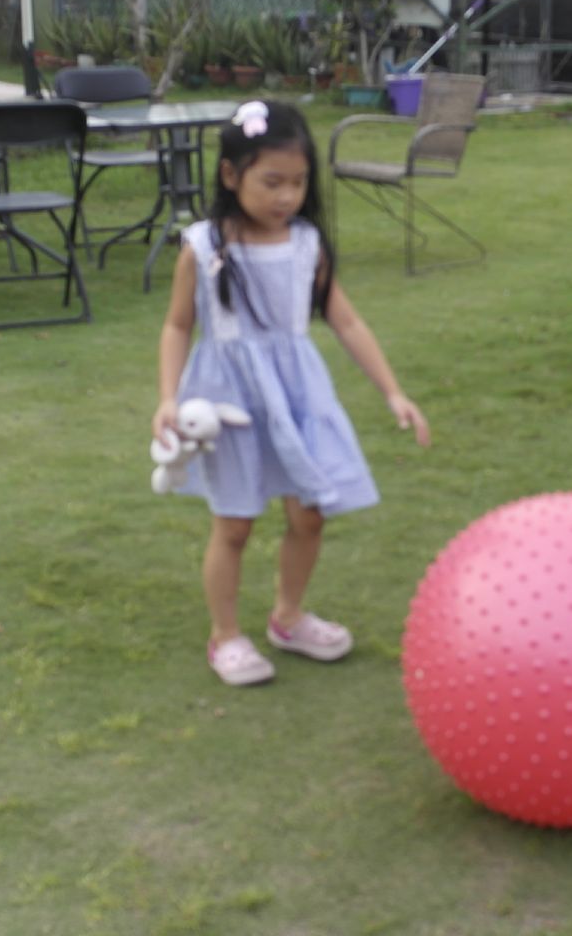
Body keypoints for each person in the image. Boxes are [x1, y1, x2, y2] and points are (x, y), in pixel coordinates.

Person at [155, 99, 430, 687]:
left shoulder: (307, 244)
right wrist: (167, 398)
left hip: (300, 397)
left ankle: (288, 617)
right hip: (231, 403)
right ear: (231, 175)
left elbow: (345, 320)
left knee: (310, 515)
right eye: (272, 181)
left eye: (299, 183)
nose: (287, 196)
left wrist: (393, 392)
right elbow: (178, 325)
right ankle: (225, 636)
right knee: (234, 524)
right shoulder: (202, 246)